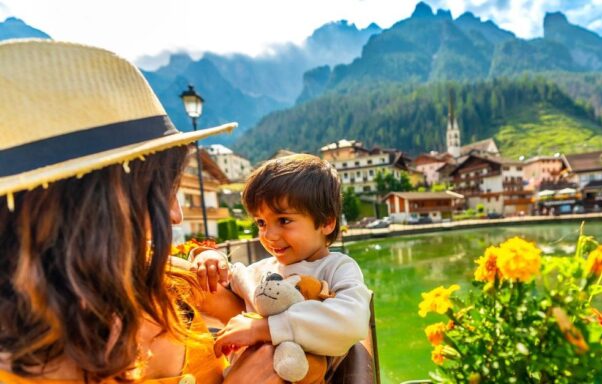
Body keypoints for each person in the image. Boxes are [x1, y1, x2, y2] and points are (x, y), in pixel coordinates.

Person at [0, 39, 250, 383]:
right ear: (89, 210)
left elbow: (277, 319)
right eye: (156, 192)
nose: (175, 216)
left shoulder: (166, 279)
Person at [194, 154, 371, 377]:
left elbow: (352, 321)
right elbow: (224, 281)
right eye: (261, 222)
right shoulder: (259, 272)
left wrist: (263, 329)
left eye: (284, 220)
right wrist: (209, 256)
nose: (268, 234)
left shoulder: (337, 268)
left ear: (327, 222)